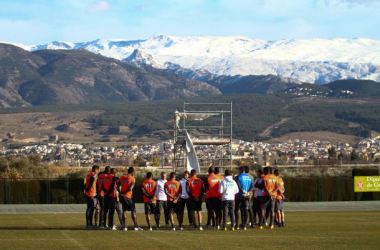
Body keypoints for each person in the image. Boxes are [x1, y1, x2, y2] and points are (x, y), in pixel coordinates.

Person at [118, 167, 143, 231]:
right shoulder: (132, 178)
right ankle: (135, 226)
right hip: (129, 197)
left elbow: (118, 187)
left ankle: (125, 226)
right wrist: (123, 192)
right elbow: (130, 188)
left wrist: (120, 193)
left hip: (122, 196)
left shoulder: (122, 178)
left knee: (124, 211)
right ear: (132, 172)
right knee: (133, 211)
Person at [235, 166, 254, 230]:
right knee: (246, 209)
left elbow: (238, 186)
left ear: (240, 170)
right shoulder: (250, 177)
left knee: (237, 210)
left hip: (240, 195)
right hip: (247, 196)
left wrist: (243, 191)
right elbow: (252, 187)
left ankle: (237, 225)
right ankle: (244, 225)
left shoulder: (238, 177)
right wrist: (248, 192)